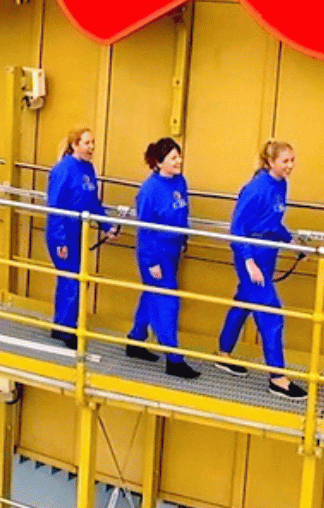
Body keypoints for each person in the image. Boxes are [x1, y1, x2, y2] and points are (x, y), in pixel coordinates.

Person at [215, 141, 305, 401]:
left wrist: (290, 242)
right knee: (271, 313)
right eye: (285, 161)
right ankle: (277, 377)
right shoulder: (256, 188)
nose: (290, 166)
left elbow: (273, 222)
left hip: (268, 251)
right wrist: (248, 261)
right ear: (271, 162)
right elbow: (237, 228)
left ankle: (223, 352)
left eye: (292, 160)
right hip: (252, 254)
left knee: (244, 301)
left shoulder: (280, 185)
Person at [126, 138, 200, 379]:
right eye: (173, 158)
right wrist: (151, 262)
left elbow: (182, 212)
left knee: (152, 295)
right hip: (155, 252)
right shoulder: (149, 190)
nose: (179, 161)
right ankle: (173, 358)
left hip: (173, 249)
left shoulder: (180, 182)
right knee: (167, 300)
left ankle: (136, 340)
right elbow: (144, 228)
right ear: (159, 162)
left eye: (179, 156)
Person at [45, 128, 117, 350]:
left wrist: (107, 225)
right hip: (63, 231)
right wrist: (61, 241)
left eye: (93, 142)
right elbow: (55, 207)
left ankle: (62, 324)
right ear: (75, 145)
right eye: (87, 143)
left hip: (77, 231)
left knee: (71, 279)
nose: (91, 147)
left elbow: (92, 203)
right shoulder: (63, 170)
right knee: (73, 280)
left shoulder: (88, 169)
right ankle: (67, 328)